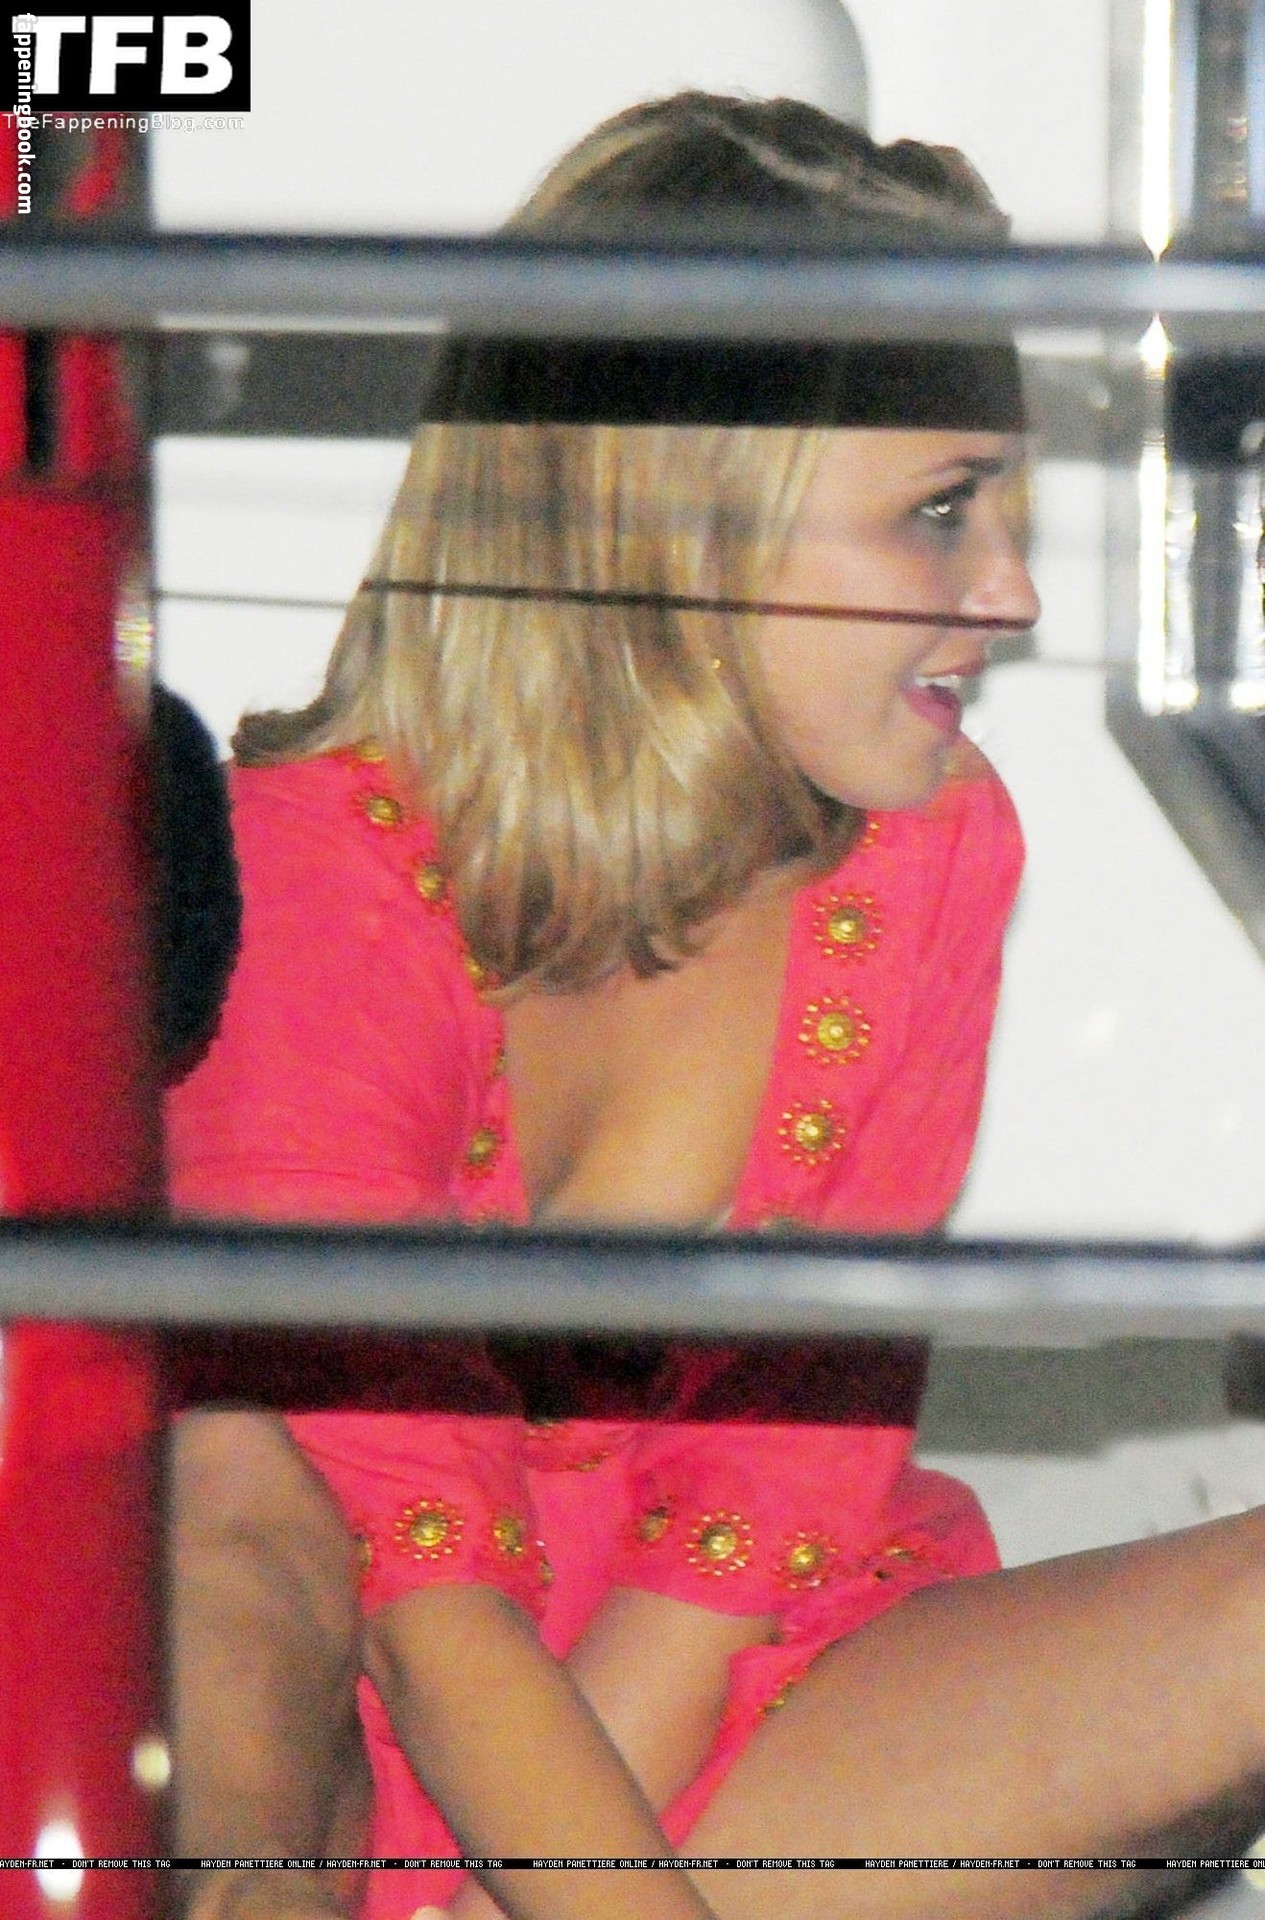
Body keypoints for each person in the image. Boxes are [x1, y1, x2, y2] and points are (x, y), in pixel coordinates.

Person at [166, 93, 1265, 1920]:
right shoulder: (306, 879)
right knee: (225, 1491)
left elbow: (758, 1507)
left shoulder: (927, 852)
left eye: (1005, 507)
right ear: (678, 522)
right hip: (339, 1733)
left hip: (708, 1718)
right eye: (939, 513)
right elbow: (423, 1607)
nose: (1007, 592)